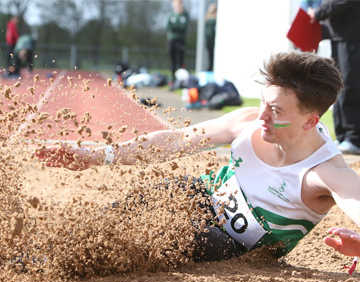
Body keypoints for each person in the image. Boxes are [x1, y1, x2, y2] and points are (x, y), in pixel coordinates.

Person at [36, 51, 360, 262]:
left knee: (180, 233)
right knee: (163, 192)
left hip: (232, 247)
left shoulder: (326, 173)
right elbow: (177, 141)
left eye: (275, 111)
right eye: (263, 102)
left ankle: (75, 259)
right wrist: (99, 156)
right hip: (202, 197)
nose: (261, 116)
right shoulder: (247, 121)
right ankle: (56, 246)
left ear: (310, 121)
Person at [308, 1, 360, 155]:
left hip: (352, 36)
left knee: (350, 86)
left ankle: (354, 138)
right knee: (339, 86)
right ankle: (343, 136)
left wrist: (318, 13)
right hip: (340, 35)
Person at [166, 0, 189, 85]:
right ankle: (172, 79)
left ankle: (180, 81)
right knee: (173, 61)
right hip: (172, 40)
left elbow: (182, 27)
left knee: (180, 61)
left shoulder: (185, 15)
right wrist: (176, 26)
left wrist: (175, 26)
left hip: (181, 41)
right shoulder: (171, 15)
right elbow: (168, 26)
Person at [205, 3, 217, 71]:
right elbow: (210, 34)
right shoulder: (211, 21)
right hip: (211, 44)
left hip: (211, 44)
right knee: (211, 62)